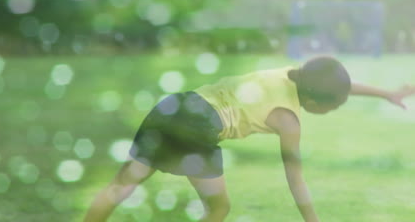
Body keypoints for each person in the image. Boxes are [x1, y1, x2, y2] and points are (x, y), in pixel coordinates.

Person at [83, 56, 415, 222]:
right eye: (333, 108)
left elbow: (340, 85)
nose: (335, 109)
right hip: (197, 127)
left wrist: (387, 93)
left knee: (119, 188)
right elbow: (295, 181)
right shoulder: (288, 121)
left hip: (173, 106)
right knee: (219, 207)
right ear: (314, 103)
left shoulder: (293, 73)